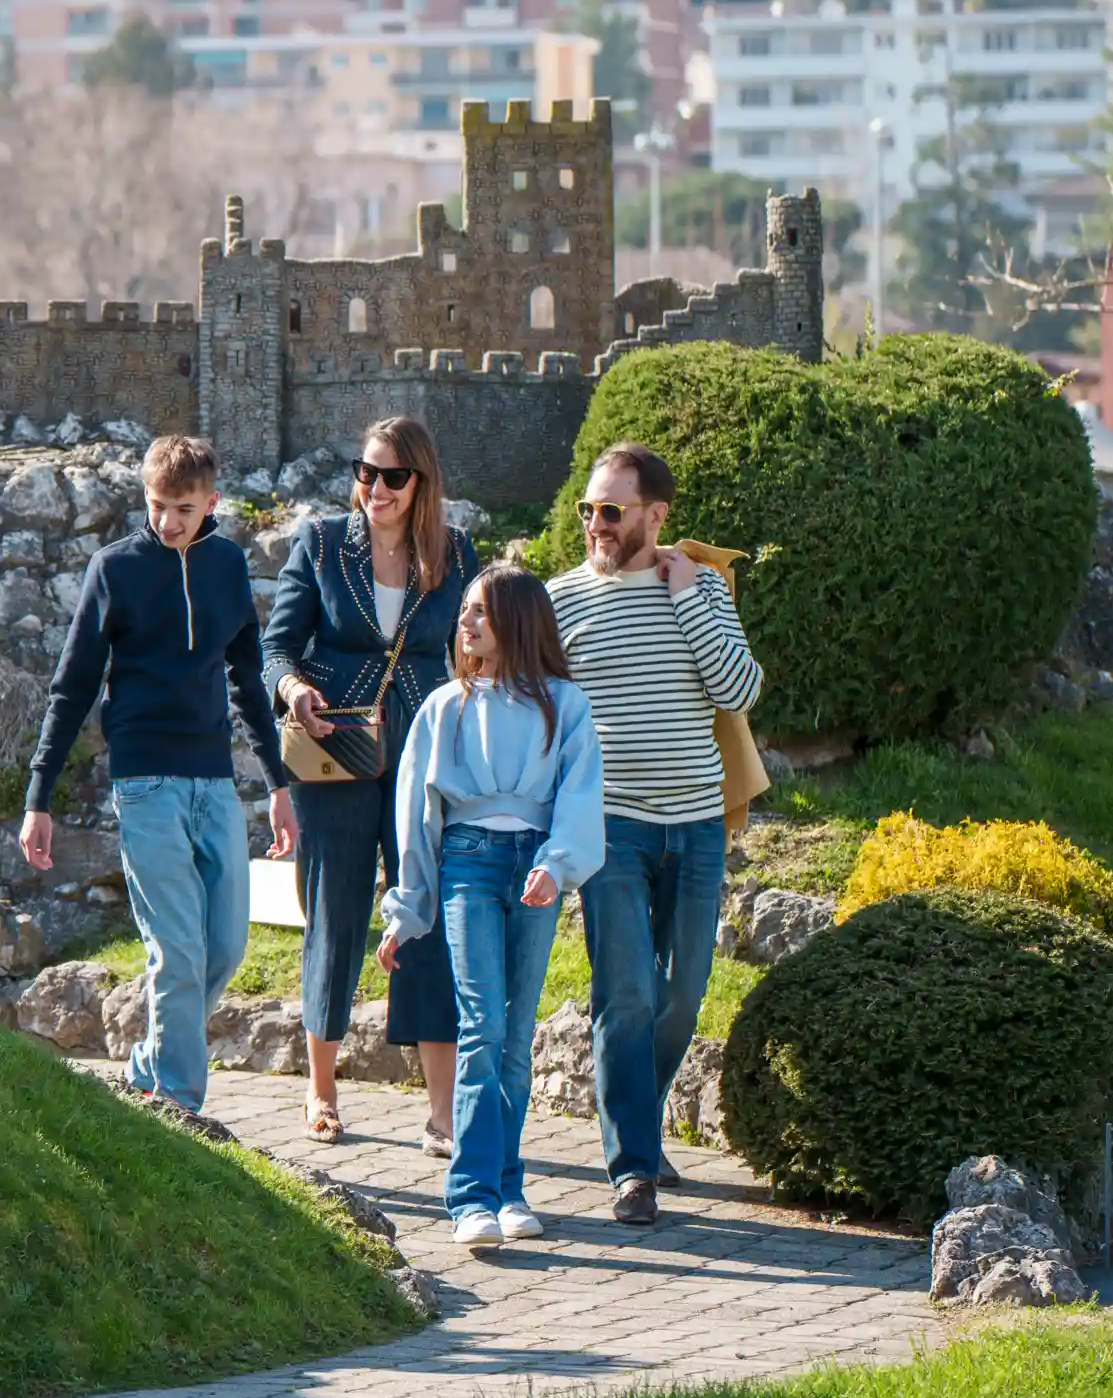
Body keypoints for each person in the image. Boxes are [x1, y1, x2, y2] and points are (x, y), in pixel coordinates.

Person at [22, 431, 289, 1134]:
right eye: (157, 505)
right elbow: (72, 686)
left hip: (213, 781)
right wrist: (38, 796)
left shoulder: (229, 566)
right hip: (143, 783)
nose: (167, 521)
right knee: (177, 948)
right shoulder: (115, 570)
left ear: (212, 503)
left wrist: (279, 782)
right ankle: (179, 1107)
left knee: (226, 946)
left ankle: (148, 1064)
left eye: (182, 508)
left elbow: (248, 680)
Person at [547, 440, 765, 1228]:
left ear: (656, 514)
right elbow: (540, 715)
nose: (596, 525)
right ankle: (632, 1166)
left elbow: (741, 687)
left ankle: (638, 1112)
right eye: (588, 510)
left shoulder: (701, 588)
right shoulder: (560, 599)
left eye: (611, 511)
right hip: (612, 829)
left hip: (698, 823)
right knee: (627, 994)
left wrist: (682, 595)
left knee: (684, 992)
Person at [262, 414, 476, 1148]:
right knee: (336, 913)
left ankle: (442, 1109)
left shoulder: (455, 554)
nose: (374, 488)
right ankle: (321, 1092)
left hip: (422, 748)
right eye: (365, 471)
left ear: (421, 483)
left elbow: (476, 649)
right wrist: (291, 689)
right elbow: (277, 645)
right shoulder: (321, 544)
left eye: (391, 476)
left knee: (424, 916)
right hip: (336, 751)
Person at [377, 566, 605, 1250]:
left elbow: (579, 794)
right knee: (480, 1025)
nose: (466, 623)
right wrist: (407, 911)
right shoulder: (445, 706)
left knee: (515, 1034)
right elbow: (416, 816)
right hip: (469, 864)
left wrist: (556, 865)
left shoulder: (565, 705)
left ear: (520, 622)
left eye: (482, 612)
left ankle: (509, 1187)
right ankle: (470, 1196)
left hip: (535, 863)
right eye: (465, 612)